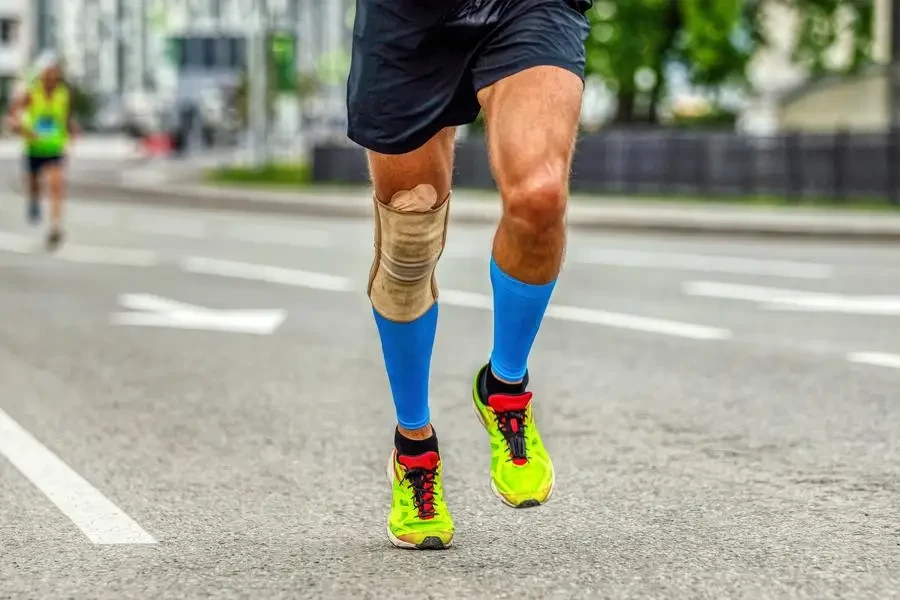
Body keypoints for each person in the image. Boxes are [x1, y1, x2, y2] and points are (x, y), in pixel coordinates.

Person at [347, 0, 592, 549]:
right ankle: (414, 448)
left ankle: (505, 388)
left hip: (529, 7)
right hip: (407, 18)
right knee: (409, 240)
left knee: (540, 197)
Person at [5, 52, 78, 251]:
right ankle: (34, 200)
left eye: (55, 71)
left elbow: (67, 116)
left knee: (56, 186)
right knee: (34, 185)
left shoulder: (64, 92)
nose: (52, 75)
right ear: (41, 73)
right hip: (34, 147)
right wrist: (21, 127)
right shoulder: (31, 92)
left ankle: (55, 227)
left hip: (55, 147)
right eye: (48, 71)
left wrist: (72, 130)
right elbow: (12, 116)